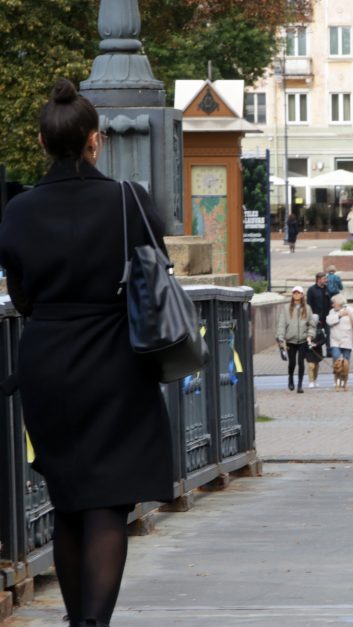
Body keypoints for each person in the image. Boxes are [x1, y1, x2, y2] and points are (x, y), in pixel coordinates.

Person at [0, 79, 175, 627]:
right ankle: (92, 625)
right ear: (95, 140)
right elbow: (156, 270)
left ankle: (79, 622)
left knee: (68, 494)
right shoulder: (128, 200)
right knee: (108, 502)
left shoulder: (18, 211)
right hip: (117, 360)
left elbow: (21, 295)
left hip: (48, 361)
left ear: (41, 142)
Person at [276, 286, 317, 393]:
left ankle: (299, 384)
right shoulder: (286, 308)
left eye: (298, 293)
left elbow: (312, 325)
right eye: (294, 293)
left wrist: (310, 335)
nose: (296, 295)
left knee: (301, 362)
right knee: (292, 362)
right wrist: (280, 338)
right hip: (290, 340)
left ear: (302, 294)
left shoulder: (307, 308)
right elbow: (282, 324)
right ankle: (290, 378)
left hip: (303, 339)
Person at [306, 272, 332, 387]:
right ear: (318, 279)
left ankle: (328, 351)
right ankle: (315, 352)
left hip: (326, 318)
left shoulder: (327, 289)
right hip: (316, 319)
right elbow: (309, 304)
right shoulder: (312, 290)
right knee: (317, 336)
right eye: (324, 278)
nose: (325, 280)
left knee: (327, 336)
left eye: (326, 278)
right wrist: (312, 317)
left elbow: (330, 303)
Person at [326, 294, 353, 362]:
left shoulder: (349, 310)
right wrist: (339, 316)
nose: (332, 305)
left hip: (346, 340)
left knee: (346, 361)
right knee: (336, 357)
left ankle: (345, 372)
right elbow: (328, 321)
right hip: (335, 341)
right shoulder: (331, 311)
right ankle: (337, 372)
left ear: (339, 302)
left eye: (333, 303)